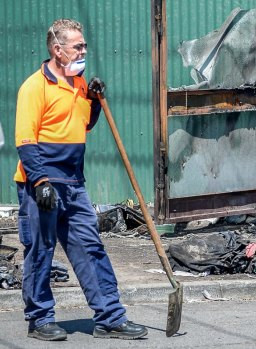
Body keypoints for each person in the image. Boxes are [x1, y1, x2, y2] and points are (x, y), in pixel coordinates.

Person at [14, 18, 147, 341]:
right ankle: (40, 319)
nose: (84, 50)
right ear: (58, 50)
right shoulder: (35, 86)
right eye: (78, 46)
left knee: (91, 247)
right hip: (40, 184)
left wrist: (95, 102)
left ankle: (110, 318)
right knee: (41, 249)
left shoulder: (79, 84)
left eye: (84, 45)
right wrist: (41, 181)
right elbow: (25, 139)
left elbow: (82, 127)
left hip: (74, 182)